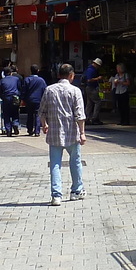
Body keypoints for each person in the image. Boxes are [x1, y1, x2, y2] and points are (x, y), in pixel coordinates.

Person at [41, 63, 87, 205]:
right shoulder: (75, 91)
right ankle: (76, 191)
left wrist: (44, 124)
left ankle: (56, 196)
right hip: (72, 132)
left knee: (55, 164)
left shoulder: (49, 90)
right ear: (71, 75)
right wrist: (82, 133)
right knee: (76, 161)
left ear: (59, 75)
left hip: (54, 133)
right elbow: (80, 114)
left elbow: (42, 111)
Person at [21, 66, 47, 137]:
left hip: (29, 100)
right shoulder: (41, 80)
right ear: (38, 71)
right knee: (37, 115)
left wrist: (22, 99)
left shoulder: (27, 79)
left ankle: (30, 130)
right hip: (38, 100)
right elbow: (45, 90)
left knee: (29, 115)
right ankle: (37, 131)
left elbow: (24, 90)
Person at [0, 65, 22, 136]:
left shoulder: (2, 80)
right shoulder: (16, 79)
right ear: (10, 73)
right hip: (15, 97)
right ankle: (15, 124)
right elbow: (20, 88)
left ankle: (8, 130)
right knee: (15, 112)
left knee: (7, 114)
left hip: (6, 98)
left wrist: (2, 97)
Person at [82, 58, 104, 125]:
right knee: (98, 102)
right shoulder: (91, 70)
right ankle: (95, 118)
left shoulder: (88, 69)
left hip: (88, 88)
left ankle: (86, 118)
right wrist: (98, 78)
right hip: (91, 88)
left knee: (90, 103)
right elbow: (89, 80)